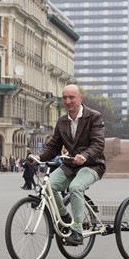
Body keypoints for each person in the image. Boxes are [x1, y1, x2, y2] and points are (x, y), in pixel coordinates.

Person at [32, 84, 105, 246]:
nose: (68, 101)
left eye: (72, 97)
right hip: (71, 165)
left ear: (80, 98)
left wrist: (84, 156)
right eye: (64, 98)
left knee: (75, 187)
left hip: (92, 165)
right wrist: (38, 157)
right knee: (49, 186)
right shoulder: (62, 121)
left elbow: (98, 144)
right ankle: (65, 216)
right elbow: (53, 147)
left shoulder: (94, 117)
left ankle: (77, 231)